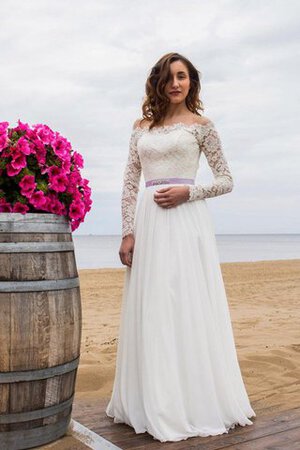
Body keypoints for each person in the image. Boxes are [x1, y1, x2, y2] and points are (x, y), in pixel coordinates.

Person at [105, 52, 256, 443]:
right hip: (148, 223)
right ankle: (150, 399)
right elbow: (128, 182)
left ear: (192, 82)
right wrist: (127, 231)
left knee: (185, 304)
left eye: (182, 76)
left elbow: (226, 180)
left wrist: (190, 191)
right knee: (153, 306)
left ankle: (192, 401)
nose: (175, 83)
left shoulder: (202, 127)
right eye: (169, 77)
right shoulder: (141, 127)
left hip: (186, 221)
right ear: (158, 82)